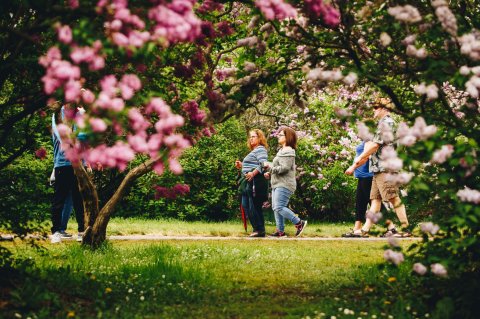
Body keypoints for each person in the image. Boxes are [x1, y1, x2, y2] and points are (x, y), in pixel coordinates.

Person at [345, 98, 411, 237]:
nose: (373, 110)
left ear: (384, 109)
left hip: (385, 168)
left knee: (394, 198)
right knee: (375, 201)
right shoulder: (381, 124)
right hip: (377, 168)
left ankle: (405, 229)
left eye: (376, 107)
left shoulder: (386, 123)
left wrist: (358, 160)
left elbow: (375, 145)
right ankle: (364, 231)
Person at [50, 105, 86, 243]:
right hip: (62, 163)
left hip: (78, 164)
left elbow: (84, 136)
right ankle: (56, 232)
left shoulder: (80, 114)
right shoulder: (58, 114)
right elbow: (61, 137)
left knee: (78, 200)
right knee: (59, 199)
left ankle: (81, 231)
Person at [264, 127, 307, 237]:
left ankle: (299, 223)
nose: (278, 136)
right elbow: (277, 167)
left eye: (281, 135)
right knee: (276, 207)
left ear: (288, 137)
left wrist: (270, 168)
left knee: (279, 207)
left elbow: (284, 168)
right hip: (277, 183)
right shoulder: (282, 151)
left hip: (285, 184)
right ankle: (280, 232)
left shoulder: (288, 151)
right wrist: (270, 172)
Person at [235, 129, 269, 237]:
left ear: (260, 138)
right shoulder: (253, 151)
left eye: (254, 136)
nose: (251, 138)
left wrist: (253, 173)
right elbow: (251, 165)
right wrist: (241, 166)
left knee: (254, 206)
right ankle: (256, 229)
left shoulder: (260, 149)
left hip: (255, 181)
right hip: (247, 182)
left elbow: (264, 164)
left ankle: (260, 230)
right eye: (250, 137)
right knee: (246, 206)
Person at [342, 141, 373, 237]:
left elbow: (365, 157)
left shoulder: (370, 140)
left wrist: (353, 167)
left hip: (368, 176)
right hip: (363, 176)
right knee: (360, 202)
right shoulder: (365, 140)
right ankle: (357, 228)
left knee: (374, 203)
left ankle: (391, 227)